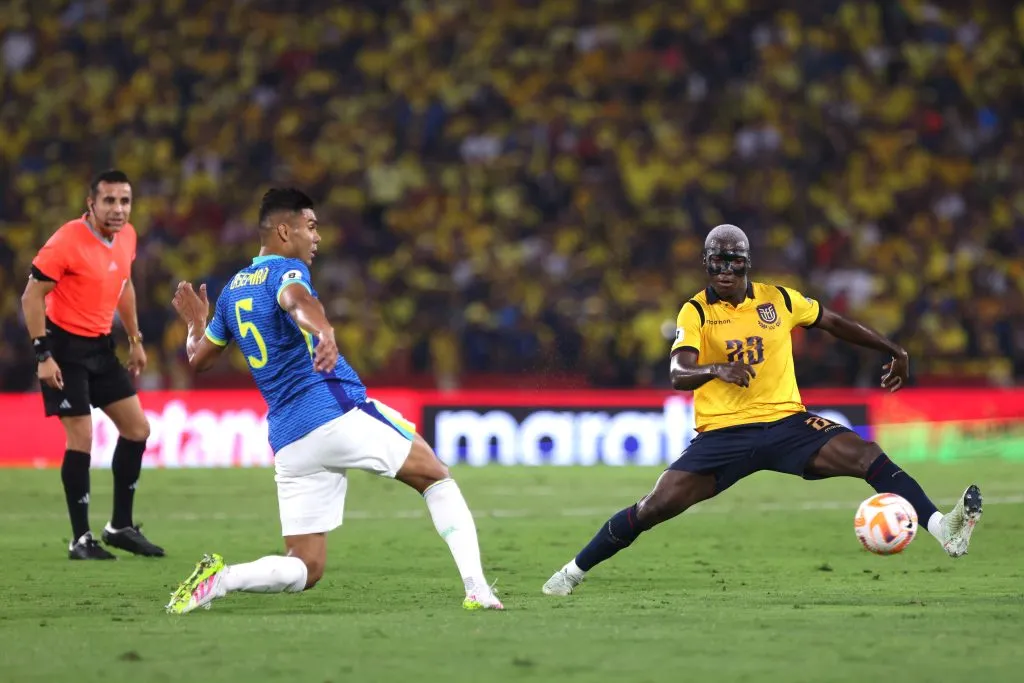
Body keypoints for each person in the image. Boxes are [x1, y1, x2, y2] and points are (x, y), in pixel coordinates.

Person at [542, 224, 982, 596]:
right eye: (717, 262)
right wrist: (717, 369)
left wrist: (893, 348)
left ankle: (943, 527)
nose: (725, 270)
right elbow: (679, 371)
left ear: (746, 262)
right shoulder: (696, 310)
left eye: (733, 261)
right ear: (706, 264)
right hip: (724, 436)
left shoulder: (780, 300)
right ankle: (571, 573)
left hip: (788, 423)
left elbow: (831, 321)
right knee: (653, 508)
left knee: (866, 455)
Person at [165, 188, 502, 614]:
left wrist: (196, 323)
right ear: (284, 231)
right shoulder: (286, 272)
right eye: (311, 226)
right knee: (435, 476)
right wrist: (324, 332)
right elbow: (297, 302)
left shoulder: (232, 290)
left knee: (306, 566)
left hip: (290, 440)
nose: (317, 237)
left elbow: (199, 358)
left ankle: (222, 579)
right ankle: (477, 589)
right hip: (334, 412)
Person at [20, 169, 164, 560]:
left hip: (100, 346)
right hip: (64, 348)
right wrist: (43, 354)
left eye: (125, 201)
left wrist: (135, 339)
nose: (118, 209)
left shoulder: (127, 237)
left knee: (137, 430)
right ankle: (80, 539)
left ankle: (119, 527)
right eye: (110, 201)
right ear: (91, 204)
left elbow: (125, 284)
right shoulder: (66, 241)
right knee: (81, 436)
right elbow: (31, 297)